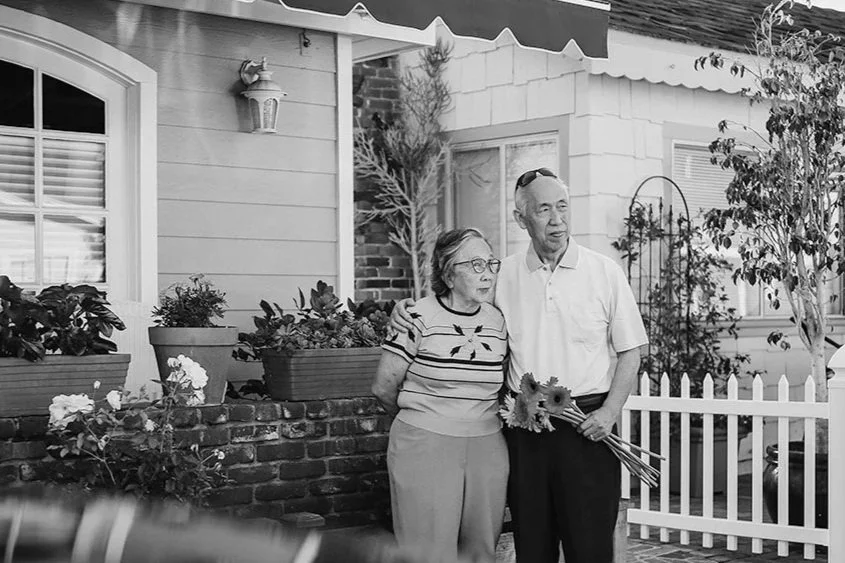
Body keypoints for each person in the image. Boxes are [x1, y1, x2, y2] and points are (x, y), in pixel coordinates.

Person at [390, 169, 648, 563]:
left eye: (562, 206)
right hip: (523, 431)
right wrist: (407, 309)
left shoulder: (604, 272)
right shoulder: (502, 274)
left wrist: (610, 412)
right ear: (521, 218)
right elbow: (457, 300)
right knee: (533, 547)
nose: (556, 219)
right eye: (543, 209)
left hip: (588, 427)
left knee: (591, 549)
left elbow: (632, 350)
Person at [372, 228, 509, 563]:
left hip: (487, 445)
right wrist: (425, 418)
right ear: (448, 273)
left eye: (491, 264)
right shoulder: (417, 316)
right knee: (428, 553)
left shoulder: (498, 320)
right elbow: (383, 387)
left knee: (481, 551)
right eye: (475, 265)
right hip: (425, 444)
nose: (487, 274)